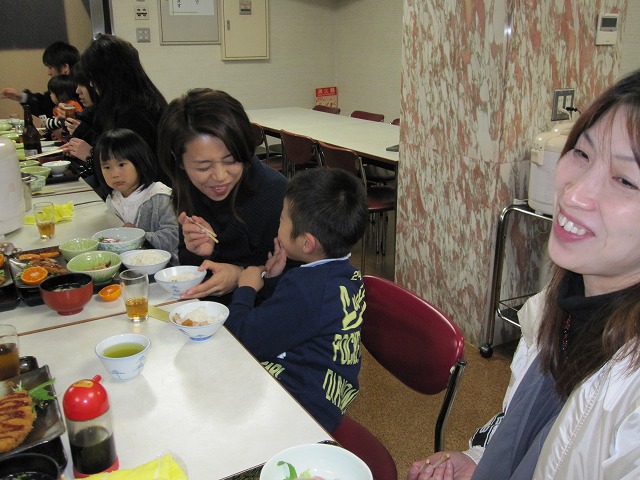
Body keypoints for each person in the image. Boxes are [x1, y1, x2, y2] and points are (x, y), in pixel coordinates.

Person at [408, 69, 640, 480]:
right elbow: (538, 429)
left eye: (624, 180)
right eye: (582, 154)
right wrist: (482, 459)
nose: (574, 193)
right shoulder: (555, 305)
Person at [225, 167, 369, 432]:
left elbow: (241, 339)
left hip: (301, 407)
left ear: (307, 244)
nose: (278, 226)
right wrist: (274, 278)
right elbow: (301, 317)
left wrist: (246, 289)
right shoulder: (344, 274)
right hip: (330, 391)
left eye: (282, 220)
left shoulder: (305, 288)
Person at [157, 88, 289, 304]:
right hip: (210, 312)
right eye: (203, 167)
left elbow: (298, 278)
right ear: (179, 161)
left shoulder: (275, 193)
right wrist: (200, 253)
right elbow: (189, 264)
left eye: (231, 160)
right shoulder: (187, 185)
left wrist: (241, 276)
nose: (220, 177)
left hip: (264, 312)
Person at [61, 34, 169, 185]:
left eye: (93, 78)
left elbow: (132, 171)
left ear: (107, 76)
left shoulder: (137, 113)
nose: (91, 84)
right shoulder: (122, 103)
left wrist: (91, 154)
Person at [93, 128, 178, 258]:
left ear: (140, 162)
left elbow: (174, 236)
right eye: (107, 167)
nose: (114, 174)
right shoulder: (113, 198)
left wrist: (137, 236)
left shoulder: (161, 196)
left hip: (162, 264)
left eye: (121, 164)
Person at [0, 41, 80, 117]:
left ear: (65, 67)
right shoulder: (60, 88)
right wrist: (20, 96)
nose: (49, 73)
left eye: (50, 67)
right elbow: (44, 104)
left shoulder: (80, 91)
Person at [43, 74, 83, 140]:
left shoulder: (71, 106)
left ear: (59, 93)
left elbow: (68, 121)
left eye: (51, 93)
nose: (50, 95)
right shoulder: (57, 107)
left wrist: (48, 123)